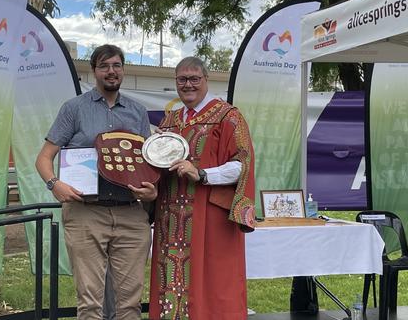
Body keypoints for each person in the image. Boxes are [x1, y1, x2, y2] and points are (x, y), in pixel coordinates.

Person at [36, 44, 157, 319]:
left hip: (130, 215)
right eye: (104, 66)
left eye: (116, 65)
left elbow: (144, 162)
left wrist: (152, 190)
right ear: (94, 72)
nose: (111, 71)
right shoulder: (74, 109)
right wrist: (54, 184)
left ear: (123, 70)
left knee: (130, 304)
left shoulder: (138, 112)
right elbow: (44, 158)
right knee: (90, 304)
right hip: (86, 213)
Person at [148, 56, 256, 320]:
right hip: (170, 219)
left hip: (211, 218)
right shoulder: (169, 122)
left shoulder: (228, 117)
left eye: (194, 78)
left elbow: (243, 164)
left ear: (206, 80)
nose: (188, 85)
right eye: (182, 79)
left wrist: (202, 173)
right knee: (170, 282)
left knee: (215, 284)